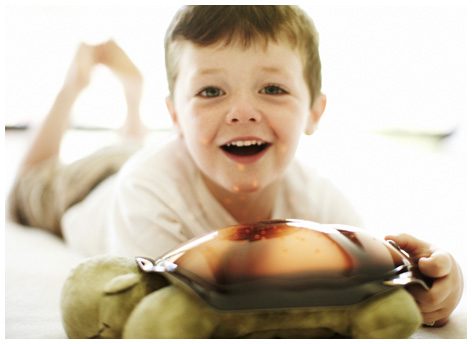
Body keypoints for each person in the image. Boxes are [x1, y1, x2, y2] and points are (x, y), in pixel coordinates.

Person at [9, 5, 462, 329]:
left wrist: (429, 282)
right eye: (210, 91)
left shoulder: (316, 196)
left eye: (272, 89)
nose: (242, 112)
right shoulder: (145, 193)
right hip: (95, 185)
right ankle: (75, 83)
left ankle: (134, 102)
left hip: (178, 151)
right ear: (175, 116)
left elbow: (366, 272)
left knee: (141, 148)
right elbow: (188, 306)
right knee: (25, 189)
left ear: (314, 113)